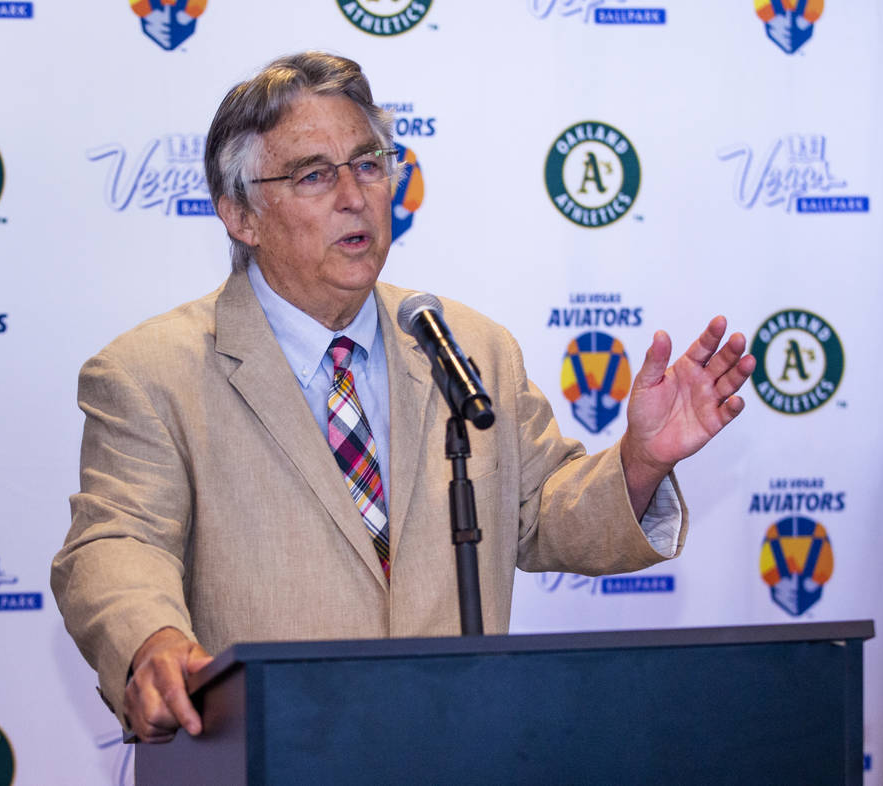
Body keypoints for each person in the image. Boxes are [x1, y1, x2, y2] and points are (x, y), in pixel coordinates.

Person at [51, 51, 755, 744]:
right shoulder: (151, 373)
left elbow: (543, 513)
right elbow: (115, 541)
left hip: (457, 747)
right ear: (240, 214)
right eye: (314, 175)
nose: (354, 195)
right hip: (274, 751)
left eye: (368, 164)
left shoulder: (467, 347)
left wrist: (639, 461)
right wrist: (152, 640)